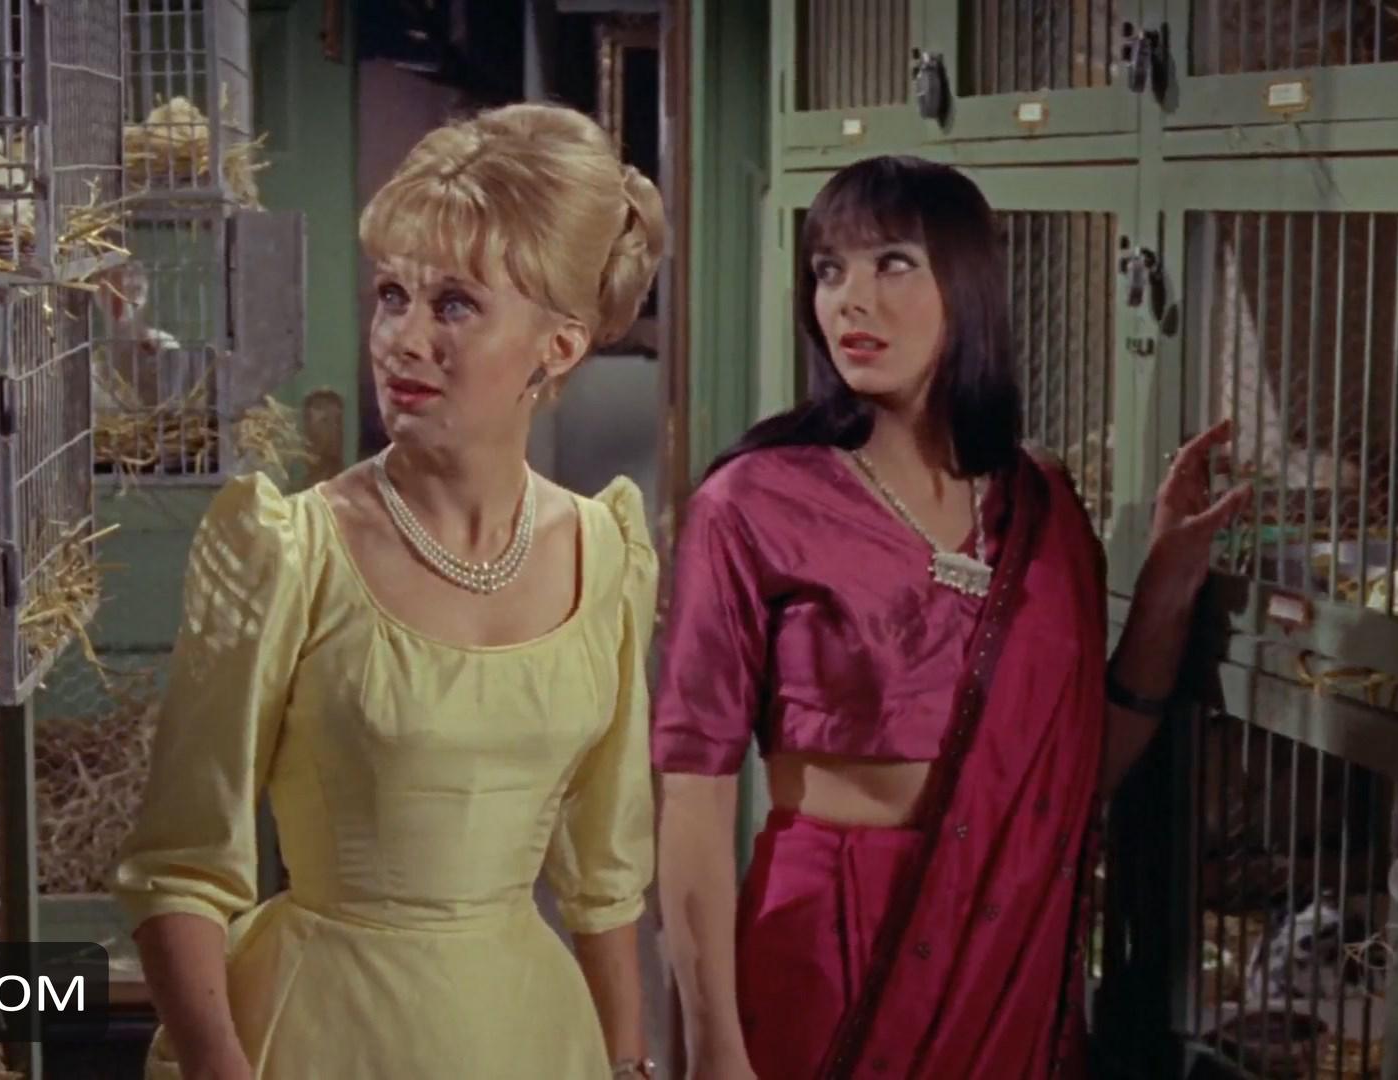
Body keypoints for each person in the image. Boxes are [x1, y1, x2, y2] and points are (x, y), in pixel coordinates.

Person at [651, 156, 1249, 1080]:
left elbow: (1076, 768)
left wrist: (1166, 587)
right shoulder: (753, 503)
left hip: (1008, 964)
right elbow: (694, 792)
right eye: (828, 271)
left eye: (892, 262)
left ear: (967, 287)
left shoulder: (1039, 504)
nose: (851, 300)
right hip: (831, 952)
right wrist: (713, 1049)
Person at [112, 103, 667, 1080]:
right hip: (321, 1033)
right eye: (391, 296)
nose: (402, 340)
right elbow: (179, 870)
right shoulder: (286, 548)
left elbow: (605, 876)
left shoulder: (605, 550)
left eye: (453, 304)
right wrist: (218, 1066)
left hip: (529, 1038)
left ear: (559, 345)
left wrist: (627, 1064)